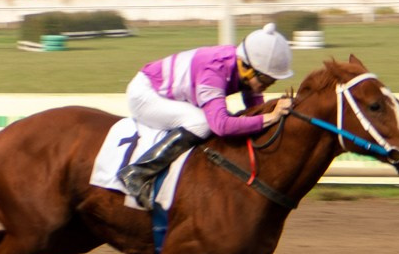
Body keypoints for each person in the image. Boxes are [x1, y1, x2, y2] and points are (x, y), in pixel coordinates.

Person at [116, 21, 296, 204]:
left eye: (273, 80)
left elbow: (254, 110)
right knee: (201, 122)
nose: (269, 84)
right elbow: (221, 126)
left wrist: (271, 115)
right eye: (266, 78)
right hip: (145, 95)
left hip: (170, 94)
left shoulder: (242, 67)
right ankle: (137, 173)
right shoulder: (214, 71)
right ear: (247, 68)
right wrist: (270, 116)